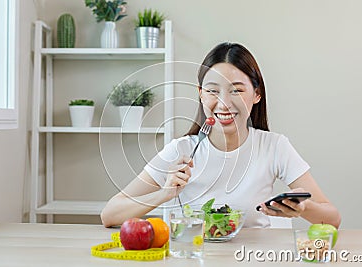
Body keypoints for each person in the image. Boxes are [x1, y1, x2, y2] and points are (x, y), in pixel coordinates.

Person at [101, 42, 341, 229]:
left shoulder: (274, 146)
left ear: (256, 94)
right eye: (213, 91)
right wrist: (165, 194)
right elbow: (109, 214)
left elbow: (332, 219)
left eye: (236, 90)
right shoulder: (181, 150)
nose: (224, 103)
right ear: (201, 95)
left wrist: (304, 208)